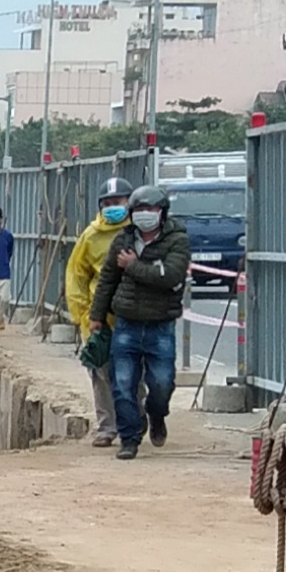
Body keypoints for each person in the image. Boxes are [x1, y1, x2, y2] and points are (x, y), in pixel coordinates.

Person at [88, 183, 192, 460]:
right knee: (122, 385)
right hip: (126, 324)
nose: (145, 214)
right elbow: (107, 280)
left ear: (162, 212)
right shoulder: (122, 241)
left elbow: (170, 276)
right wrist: (96, 316)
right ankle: (130, 439)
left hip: (160, 325)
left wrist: (133, 266)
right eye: (140, 209)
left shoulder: (177, 241)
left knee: (161, 383)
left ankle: (157, 415)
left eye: (151, 209)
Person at [64, 176, 133, 446]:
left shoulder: (139, 233)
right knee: (101, 374)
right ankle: (107, 427)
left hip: (133, 316)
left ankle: (134, 418)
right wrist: (82, 315)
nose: (112, 207)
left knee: (132, 374)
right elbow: (77, 277)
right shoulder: (90, 236)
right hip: (98, 319)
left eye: (117, 202)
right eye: (107, 203)